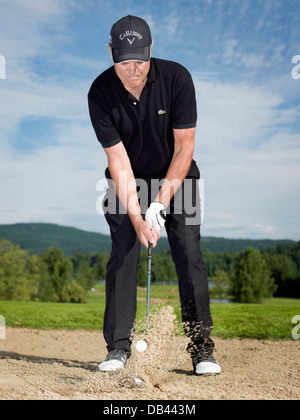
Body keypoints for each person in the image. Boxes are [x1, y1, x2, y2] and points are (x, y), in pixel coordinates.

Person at [88, 15, 221, 376]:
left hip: (180, 179)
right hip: (128, 180)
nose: (133, 70)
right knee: (124, 251)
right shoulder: (100, 92)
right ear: (110, 53)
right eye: (123, 61)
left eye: (140, 61)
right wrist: (137, 215)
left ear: (152, 51)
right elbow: (118, 162)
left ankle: (201, 349)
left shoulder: (177, 79)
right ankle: (117, 348)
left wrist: (160, 202)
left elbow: (184, 149)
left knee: (189, 254)